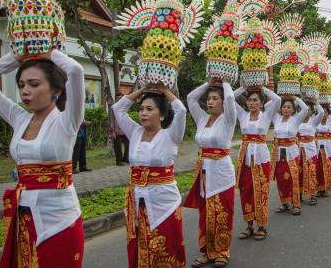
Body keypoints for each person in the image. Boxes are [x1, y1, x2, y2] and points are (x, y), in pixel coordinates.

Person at [0, 50, 85, 267]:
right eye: (21, 85)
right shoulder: (19, 118)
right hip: (25, 216)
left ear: (56, 89)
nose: (25, 91)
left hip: (61, 221)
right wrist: (15, 57)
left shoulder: (67, 121)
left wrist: (49, 53)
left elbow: (75, 70)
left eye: (34, 84)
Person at [112, 84, 187, 267]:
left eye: (149, 109)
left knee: (165, 246)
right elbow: (117, 108)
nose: (143, 113)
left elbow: (181, 110)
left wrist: (164, 91)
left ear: (161, 115)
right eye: (141, 109)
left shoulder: (171, 136)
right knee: (139, 243)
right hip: (137, 200)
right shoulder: (135, 132)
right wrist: (143, 90)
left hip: (164, 202)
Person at [185, 79, 237, 268]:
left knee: (222, 212)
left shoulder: (229, 119)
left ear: (223, 102)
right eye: (208, 98)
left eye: (215, 98)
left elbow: (231, 97)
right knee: (206, 214)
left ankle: (222, 251)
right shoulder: (202, 119)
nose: (210, 101)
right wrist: (207, 84)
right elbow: (190, 98)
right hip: (204, 173)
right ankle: (208, 251)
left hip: (222, 174)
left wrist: (224, 82)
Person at [233, 86, 281, 241]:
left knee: (260, 192)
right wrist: (244, 87)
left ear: (261, 103)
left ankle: (261, 226)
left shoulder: (266, 116)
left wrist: (262, 88)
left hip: (261, 159)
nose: (252, 103)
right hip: (245, 159)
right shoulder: (243, 115)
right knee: (245, 191)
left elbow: (277, 99)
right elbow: (229, 98)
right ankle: (249, 226)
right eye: (250, 100)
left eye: (255, 100)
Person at [272, 96, 309, 215]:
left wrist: (295, 98)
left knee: (293, 178)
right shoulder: (276, 118)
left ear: (293, 110)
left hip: (291, 153)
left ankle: (296, 204)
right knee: (281, 179)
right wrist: (280, 98)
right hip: (279, 153)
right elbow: (269, 106)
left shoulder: (295, 120)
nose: (286, 109)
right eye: (284, 107)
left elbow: (305, 108)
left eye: (289, 107)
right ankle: (284, 203)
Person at [297, 100, 324, 206]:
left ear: (312, 112)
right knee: (299, 172)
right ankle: (298, 193)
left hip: (310, 150)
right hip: (298, 149)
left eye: (308, 110)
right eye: (304, 110)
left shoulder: (313, 121)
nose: (306, 112)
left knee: (311, 171)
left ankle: (313, 195)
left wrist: (316, 103)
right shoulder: (297, 121)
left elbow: (321, 113)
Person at [315, 103, 331, 196]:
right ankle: (318, 188)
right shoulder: (316, 122)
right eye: (322, 112)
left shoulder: (330, 122)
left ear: (328, 113)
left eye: (325, 112)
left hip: (328, 147)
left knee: (328, 166)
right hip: (318, 146)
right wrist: (317, 104)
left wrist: (330, 105)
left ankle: (326, 188)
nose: (323, 114)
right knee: (319, 167)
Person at [110, 93, 129, 166]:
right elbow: (111, 120)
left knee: (128, 145)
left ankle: (126, 158)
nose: (120, 99)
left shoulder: (125, 108)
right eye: (118, 98)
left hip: (125, 130)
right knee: (118, 147)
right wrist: (112, 132)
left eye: (121, 98)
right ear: (116, 99)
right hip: (117, 131)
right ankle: (119, 161)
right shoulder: (113, 108)